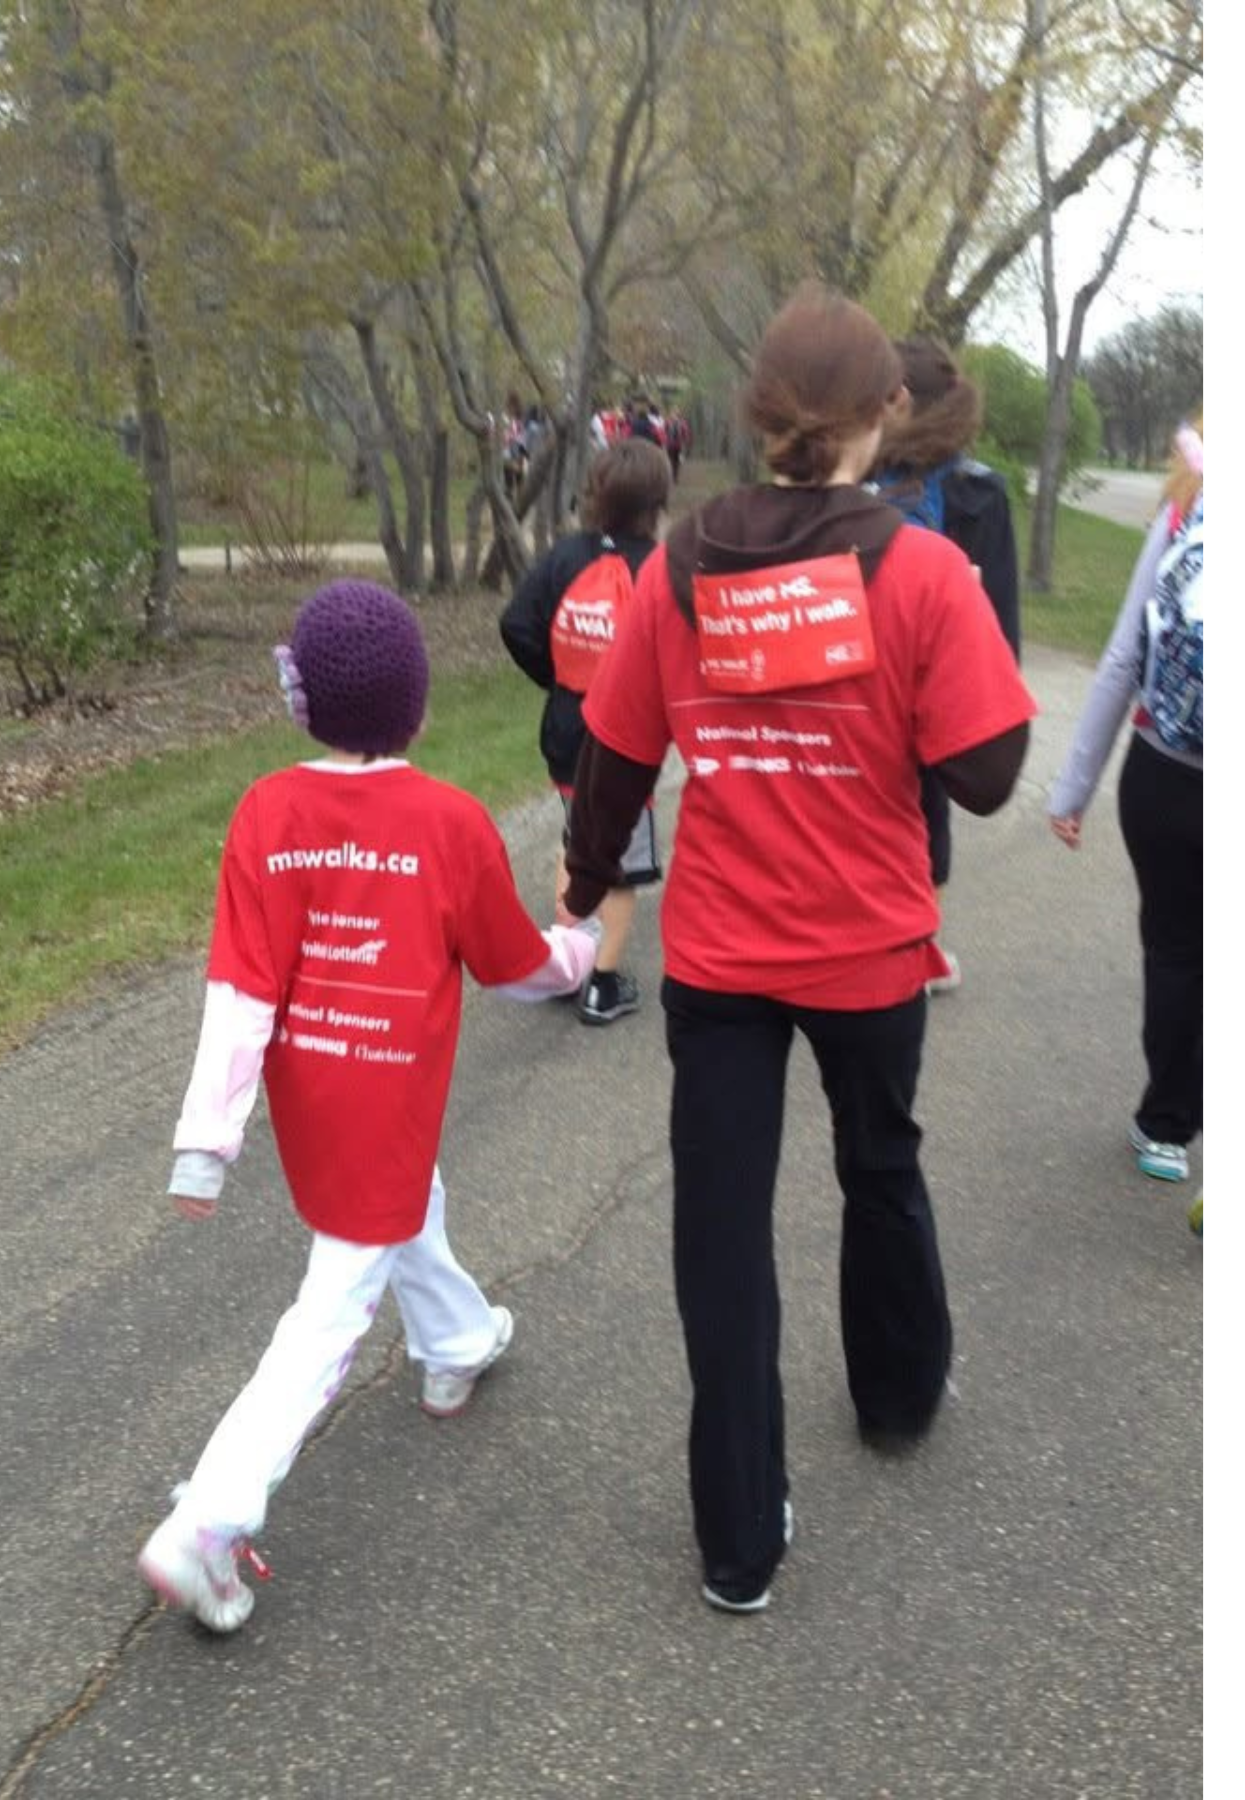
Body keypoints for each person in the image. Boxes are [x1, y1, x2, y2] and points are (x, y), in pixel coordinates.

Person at [561, 284, 1035, 1613]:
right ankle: (895, 1399)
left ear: (760, 417)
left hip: (719, 959)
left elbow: (615, 752)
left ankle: (739, 1537)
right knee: (881, 1165)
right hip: (870, 953)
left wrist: (588, 879)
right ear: (887, 414)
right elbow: (989, 777)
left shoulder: (681, 562)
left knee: (723, 1232)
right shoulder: (925, 571)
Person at [138, 580, 599, 1634]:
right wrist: (578, 953)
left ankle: (456, 1345)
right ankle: (209, 1520)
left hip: (318, 1104)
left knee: (401, 1216)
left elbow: (242, 987)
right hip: (389, 1096)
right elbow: (512, 961)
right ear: (419, 707)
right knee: (332, 1309)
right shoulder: (447, 821)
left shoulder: (267, 812)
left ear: (303, 704)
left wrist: (209, 1139)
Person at [1048, 420, 1203, 1186]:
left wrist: (1072, 787)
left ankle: (1167, 1126)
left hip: (1166, 771)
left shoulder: (1185, 513)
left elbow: (1122, 659)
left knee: (1177, 949)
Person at [500, 438, 671, 1024]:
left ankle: (566, 956)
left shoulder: (563, 555)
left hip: (567, 729)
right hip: (628, 740)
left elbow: (517, 623)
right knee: (619, 860)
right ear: (658, 501)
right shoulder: (659, 567)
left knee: (578, 839)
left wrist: (560, 680)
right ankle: (600, 983)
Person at [871, 336, 1021, 994]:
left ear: (901, 400)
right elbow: (999, 616)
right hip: (934, 683)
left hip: (858, 673)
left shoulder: (857, 479)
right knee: (924, 804)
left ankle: (897, 937)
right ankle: (918, 944)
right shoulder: (977, 490)